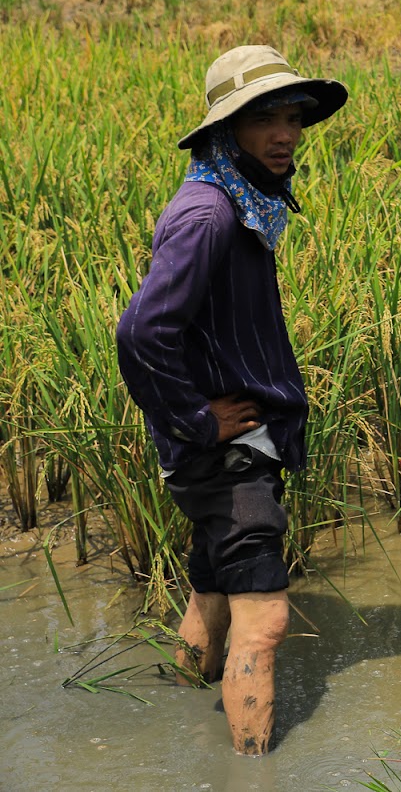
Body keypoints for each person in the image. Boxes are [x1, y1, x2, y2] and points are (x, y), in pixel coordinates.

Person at [116, 45, 347, 756]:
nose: (285, 135)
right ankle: (252, 768)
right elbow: (141, 331)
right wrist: (196, 419)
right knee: (266, 620)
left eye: (293, 118)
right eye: (263, 120)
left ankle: (189, 712)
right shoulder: (210, 215)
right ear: (227, 128)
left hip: (220, 451)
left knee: (212, 590)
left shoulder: (236, 199)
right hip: (228, 453)